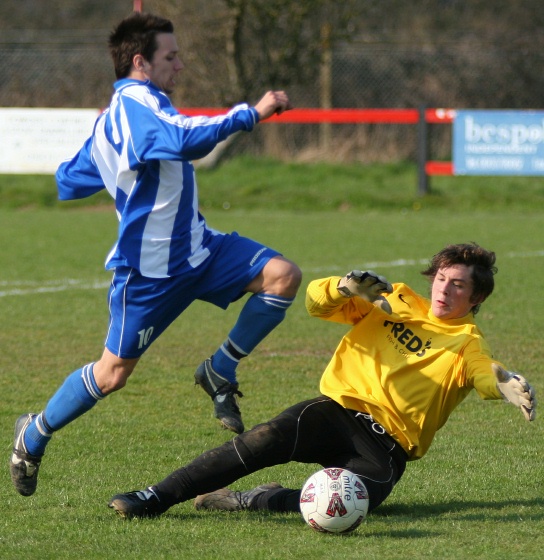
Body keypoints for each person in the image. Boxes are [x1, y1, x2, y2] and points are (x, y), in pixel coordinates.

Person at [10, 12, 302, 498]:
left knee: (282, 276)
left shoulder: (122, 115)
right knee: (112, 374)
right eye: (172, 56)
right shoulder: (140, 105)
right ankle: (33, 433)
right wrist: (254, 111)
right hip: (149, 272)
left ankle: (220, 369)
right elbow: (185, 140)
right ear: (141, 62)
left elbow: (67, 180)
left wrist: (106, 147)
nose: (181, 66)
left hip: (200, 248)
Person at [107, 242, 536, 520]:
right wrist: (343, 288)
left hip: (387, 448)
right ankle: (155, 497)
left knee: (340, 506)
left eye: (457, 285)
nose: (444, 290)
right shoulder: (396, 298)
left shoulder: (465, 343)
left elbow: (483, 372)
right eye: (441, 278)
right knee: (260, 440)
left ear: (476, 298)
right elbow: (316, 304)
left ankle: (251, 499)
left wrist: (502, 384)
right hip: (336, 413)